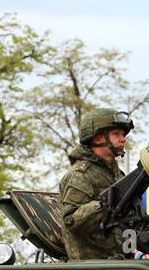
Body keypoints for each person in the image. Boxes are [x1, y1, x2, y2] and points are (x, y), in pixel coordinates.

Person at [57, 108, 133, 261]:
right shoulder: (80, 176)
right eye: (116, 134)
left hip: (124, 268)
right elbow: (72, 221)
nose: (123, 139)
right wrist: (105, 204)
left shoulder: (119, 177)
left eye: (123, 135)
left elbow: (137, 224)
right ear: (98, 138)